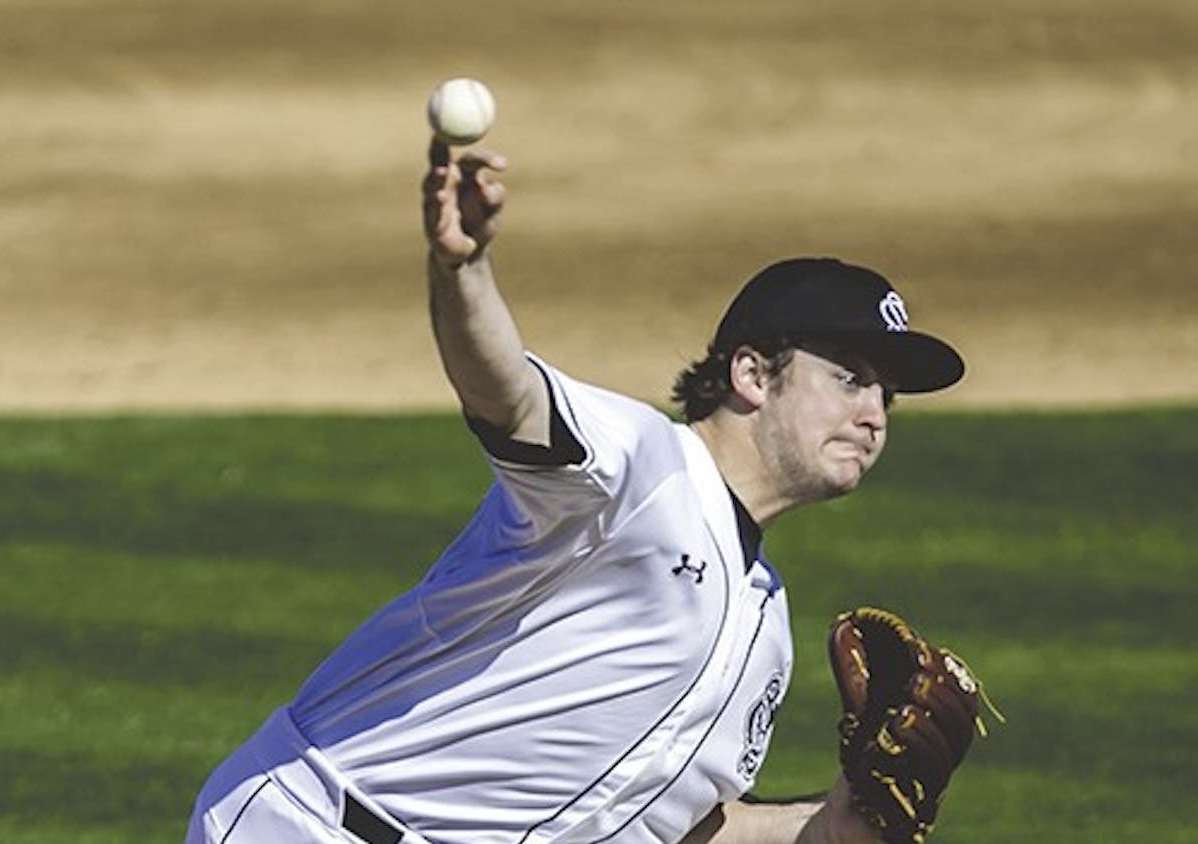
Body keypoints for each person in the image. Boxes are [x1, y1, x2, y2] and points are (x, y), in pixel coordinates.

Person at [184, 139, 966, 844]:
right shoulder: (639, 465)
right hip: (319, 825)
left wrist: (838, 821)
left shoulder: (766, 630)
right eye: (851, 379)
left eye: (886, 399)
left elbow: (680, 825)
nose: (873, 416)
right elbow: (507, 396)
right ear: (752, 374)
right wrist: (463, 268)